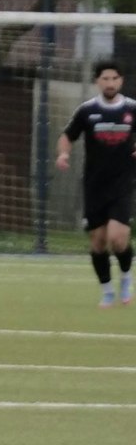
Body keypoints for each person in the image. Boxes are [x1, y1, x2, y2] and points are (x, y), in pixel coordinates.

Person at [56, 61, 136, 307]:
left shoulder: (132, 108)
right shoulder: (87, 111)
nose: (110, 83)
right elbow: (67, 136)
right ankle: (106, 290)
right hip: (94, 186)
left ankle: (125, 277)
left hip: (123, 183)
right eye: (105, 78)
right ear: (97, 82)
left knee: (118, 239)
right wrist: (63, 154)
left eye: (114, 78)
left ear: (120, 80)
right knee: (98, 242)